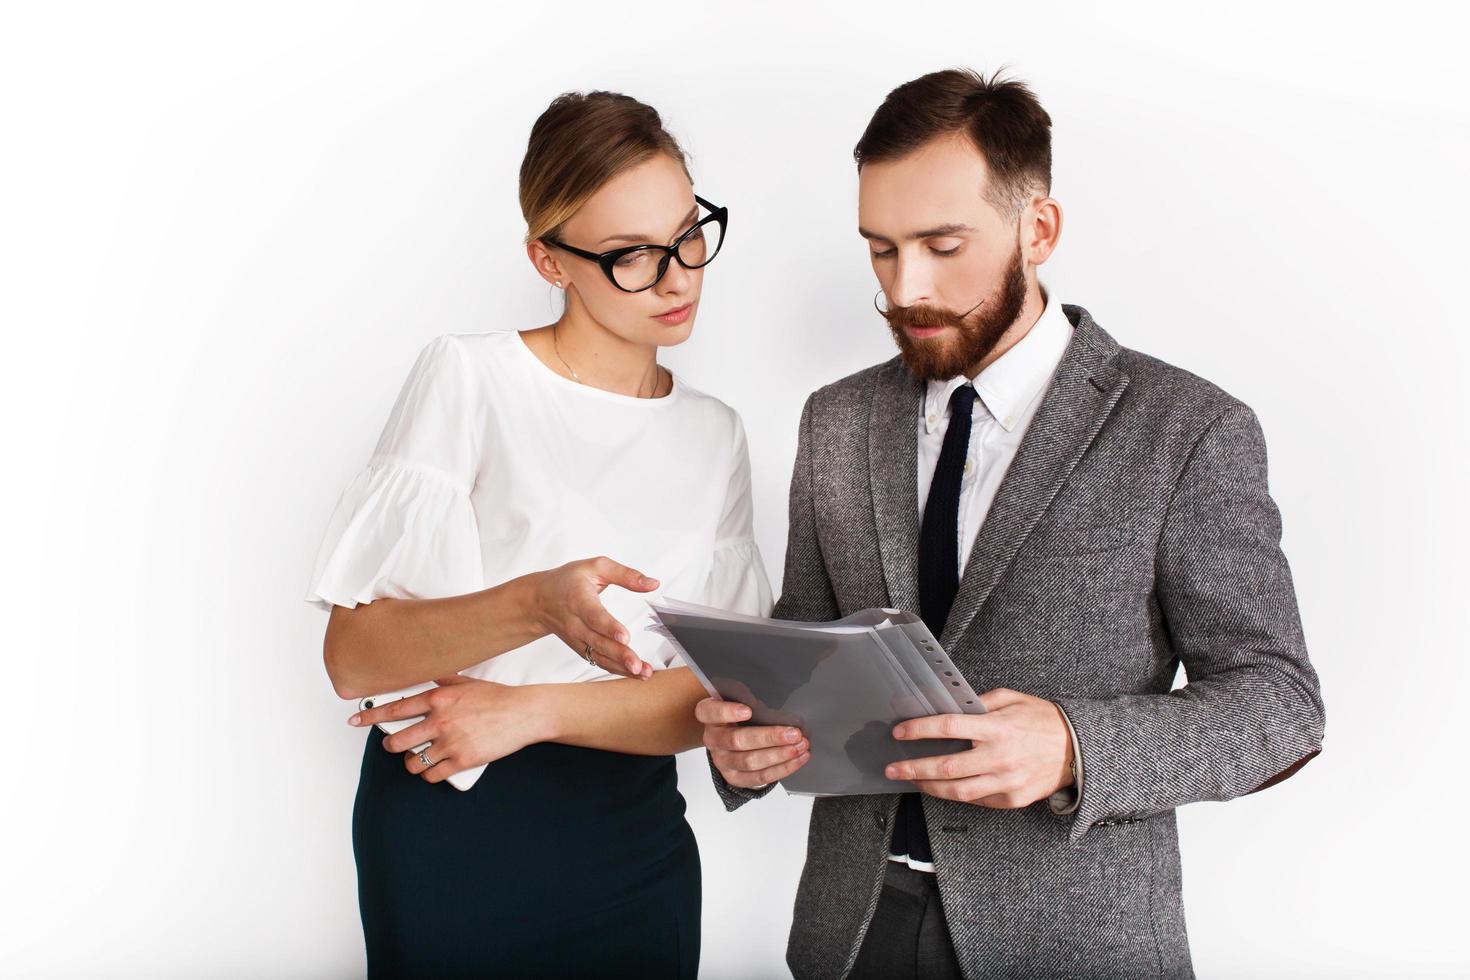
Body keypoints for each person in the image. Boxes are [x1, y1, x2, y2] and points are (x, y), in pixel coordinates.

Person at [696, 69, 1325, 979]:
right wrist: (747, 741)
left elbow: (1280, 705)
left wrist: (1073, 744)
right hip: (849, 933)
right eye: (880, 249)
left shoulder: (1188, 429)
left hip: (1076, 945)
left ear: (1040, 229)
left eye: (943, 245)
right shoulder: (833, 419)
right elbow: (806, 643)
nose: (905, 288)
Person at [303, 89, 772, 979]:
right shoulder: (470, 378)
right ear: (548, 259)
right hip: (458, 824)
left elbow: (719, 695)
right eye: (630, 255)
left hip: (634, 835)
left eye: (688, 234)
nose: (676, 276)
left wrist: (528, 709)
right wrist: (535, 604)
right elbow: (353, 658)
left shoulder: (716, 433)